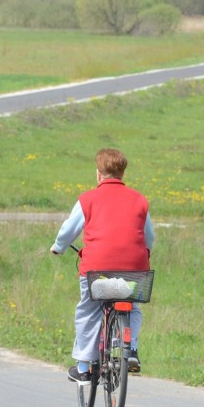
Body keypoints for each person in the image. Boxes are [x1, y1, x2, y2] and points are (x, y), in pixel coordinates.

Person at [50, 148, 154, 384]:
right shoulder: (140, 200)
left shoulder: (87, 199)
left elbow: (68, 231)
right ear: (122, 173)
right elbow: (150, 236)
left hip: (97, 269)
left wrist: (58, 247)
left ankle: (84, 368)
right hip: (135, 269)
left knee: (88, 310)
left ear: (99, 174)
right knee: (134, 309)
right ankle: (130, 349)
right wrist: (142, 253)